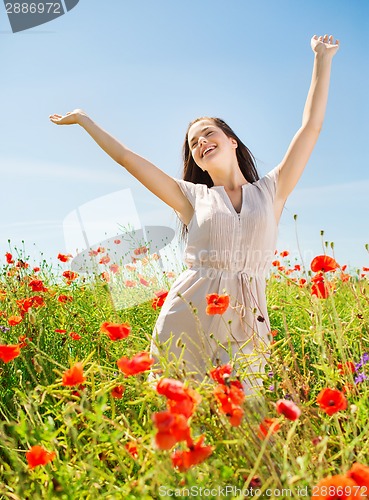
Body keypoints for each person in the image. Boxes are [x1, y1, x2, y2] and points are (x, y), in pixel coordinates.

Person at [50, 34, 339, 394]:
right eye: (194, 144)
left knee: (244, 412)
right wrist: (85, 121)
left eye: (208, 134)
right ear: (196, 160)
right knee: (184, 413)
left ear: (232, 140)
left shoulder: (272, 189)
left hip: (248, 321)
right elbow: (128, 158)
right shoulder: (191, 197)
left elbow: (310, 128)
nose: (201, 143)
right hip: (188, 318)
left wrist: (322, 60)